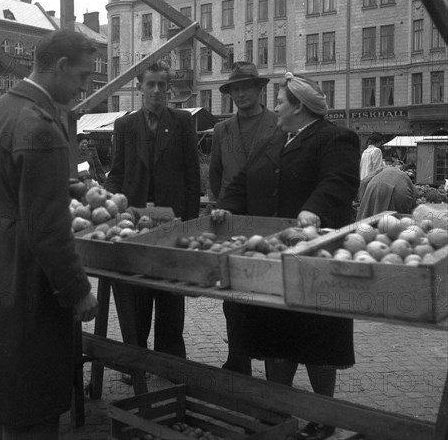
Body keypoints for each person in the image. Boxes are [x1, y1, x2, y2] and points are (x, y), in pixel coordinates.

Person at [0, 29, 99, 440]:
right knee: (33, 401)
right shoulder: (41, 127)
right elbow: (49, 230)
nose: (83, 87)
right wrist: (77, 291)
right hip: (26, 273)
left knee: (7, 396)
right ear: (60, 67)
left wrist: (58, 186)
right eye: (82, 76)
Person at [218, 72, 360, 440]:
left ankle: (323, 417)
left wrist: (313, 210)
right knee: (273, 334)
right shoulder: (275, 137)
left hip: (317, 257)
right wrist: (226, 209)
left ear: (298, 106)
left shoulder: (335, 137)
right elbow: (243, 181)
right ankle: (277, 411)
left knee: (317, 338)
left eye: (281, 102)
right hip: (272, 255)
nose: (276, 108)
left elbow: (338, 182)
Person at [104, 60, 200, 371]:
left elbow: (191, 175)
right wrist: (109, 203)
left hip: (172, 221)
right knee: (136, 292)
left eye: (162, 85)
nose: (157, 90)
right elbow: (116, 172)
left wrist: (189, 223)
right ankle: (136, 361)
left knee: (171, 293)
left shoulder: (183, 121)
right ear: (140, 87)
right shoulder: (126, 126)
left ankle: (171, 362)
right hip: (135, 221)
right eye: (151, 84)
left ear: (168, 88)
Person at [209, 61, 277, 375]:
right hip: (232, 220)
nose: (240, 94)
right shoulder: (222, 129)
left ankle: (269, 356)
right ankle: (238, 357)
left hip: (267, 219)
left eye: (246, 87)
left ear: (259, 89)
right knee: (233, 292)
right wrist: (222, 206)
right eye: (235, 89)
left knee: (266, 291)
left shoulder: (278, 124)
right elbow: (216, 174)